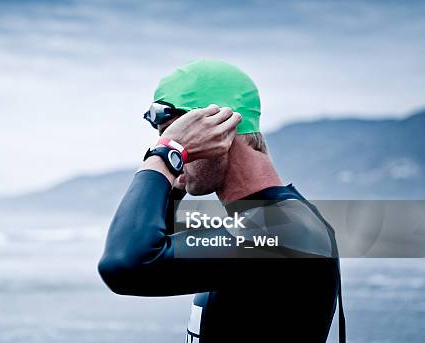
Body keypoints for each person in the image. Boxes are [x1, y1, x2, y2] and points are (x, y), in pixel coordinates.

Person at [98, 60, 344, 342]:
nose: (177, 148)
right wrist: (175, 182)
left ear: (221, 132)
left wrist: (167, 156)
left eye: (178, 136)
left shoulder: (286, 229)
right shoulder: (256, 221)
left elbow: (125, 265)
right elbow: (156, 241)